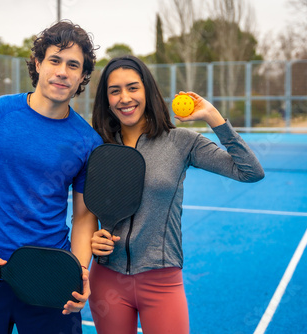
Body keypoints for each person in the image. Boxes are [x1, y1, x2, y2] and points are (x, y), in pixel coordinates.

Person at [0, 21, 102, 334]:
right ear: (38, 63)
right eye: (55, 60)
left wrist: (79, 271)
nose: (62, 71)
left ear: (82, 77)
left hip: (51, 278)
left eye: (73, 65)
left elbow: (84, 217)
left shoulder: (88, 141)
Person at [88, 55, 265, 334]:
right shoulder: (97, 144)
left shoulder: (182, 141)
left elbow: (250, 171)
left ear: (147, 90)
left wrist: (212, 116)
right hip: (107, 280)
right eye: (115, 91)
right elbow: (85, 208)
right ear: (106, 100)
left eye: (133, 88)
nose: (125, 98)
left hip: (161, 280)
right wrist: (93, 239)